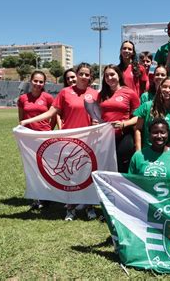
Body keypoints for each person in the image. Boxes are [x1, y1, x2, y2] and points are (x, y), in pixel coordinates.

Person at [20, 62, 99, 221]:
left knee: (88, 174)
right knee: (69, 176)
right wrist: (27, 122)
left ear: (90, 77)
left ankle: (89, 208)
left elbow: (98, 116)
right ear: (76, 75)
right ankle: (70, 210)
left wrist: (97, 123)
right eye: (81, 73)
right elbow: (51, 112)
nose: (83, 77)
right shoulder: (65, 92)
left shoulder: (94, 94)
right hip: (69, 140)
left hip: (88, 140)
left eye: (87, 74)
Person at [18, 70, 56, 211]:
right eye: (36, 81)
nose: (38, 84)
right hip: (29, 139)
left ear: (44, 83)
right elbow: (21, 119)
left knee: (46, 168)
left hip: (44, 138)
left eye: (41, 82)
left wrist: (49, 130)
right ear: (30, 81)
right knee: (33, 168)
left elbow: (54, 114)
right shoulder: (23, 99)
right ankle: (37, 196)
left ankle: (48, 196)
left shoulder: (47, 97)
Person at [99, 64, 140, 173]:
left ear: (119, 75)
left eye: (112, 74)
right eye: (106, 76)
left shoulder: (129, 93)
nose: (109, 78)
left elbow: (138, 117)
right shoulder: (102, 94)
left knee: (122, 168)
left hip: (123, 136)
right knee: (106, 168)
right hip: (106, 138)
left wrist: (123, 124)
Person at [134, 76, 170, 151]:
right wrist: (138, 151)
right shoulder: (147, 106)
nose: (167, 90)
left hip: (166, 153)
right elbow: (138, 129)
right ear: (160, 88)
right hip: (146, 152)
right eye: (164, 87)